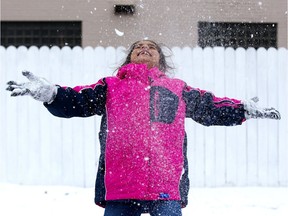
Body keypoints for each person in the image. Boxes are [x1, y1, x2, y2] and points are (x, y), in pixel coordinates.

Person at [6, 40, 281, 216]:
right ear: (129, 58)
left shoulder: (177, 89)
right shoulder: (110, 87)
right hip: (120, 185)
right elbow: (78, 100)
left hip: (165, 184)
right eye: (138, 47)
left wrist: (242, 109)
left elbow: (210, 107)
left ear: (160, 59)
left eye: (151, 47)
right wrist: (51, 94)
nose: (145, 48)